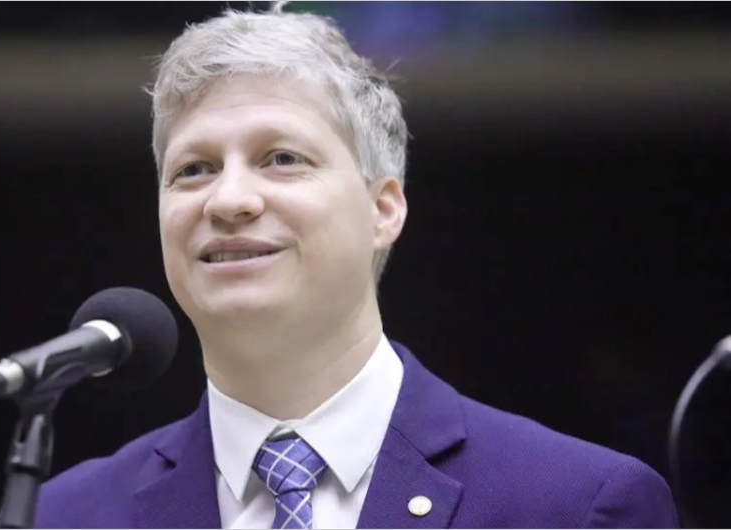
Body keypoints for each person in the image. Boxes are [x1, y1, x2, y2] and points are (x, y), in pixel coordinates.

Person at [35, 3, 678, 528]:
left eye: (282, 158)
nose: (229, 199)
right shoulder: (66, 516)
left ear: (383, 209)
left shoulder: (577, 505)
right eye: (193, 169)